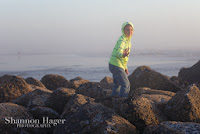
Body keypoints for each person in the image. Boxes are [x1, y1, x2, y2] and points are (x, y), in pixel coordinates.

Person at [109, 22, 134, 97]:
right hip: (116, 65)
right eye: (127, 30)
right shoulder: (122, 40)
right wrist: (122, 54)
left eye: (131, 30)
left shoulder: (127, 40)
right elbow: (119, 52)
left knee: (117, 85)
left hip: (113, 64)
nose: (130, 32)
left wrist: (125, 67)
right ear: (123, 31)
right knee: (126, 84)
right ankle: (122, 102)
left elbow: (124, 58)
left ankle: (113, 100)